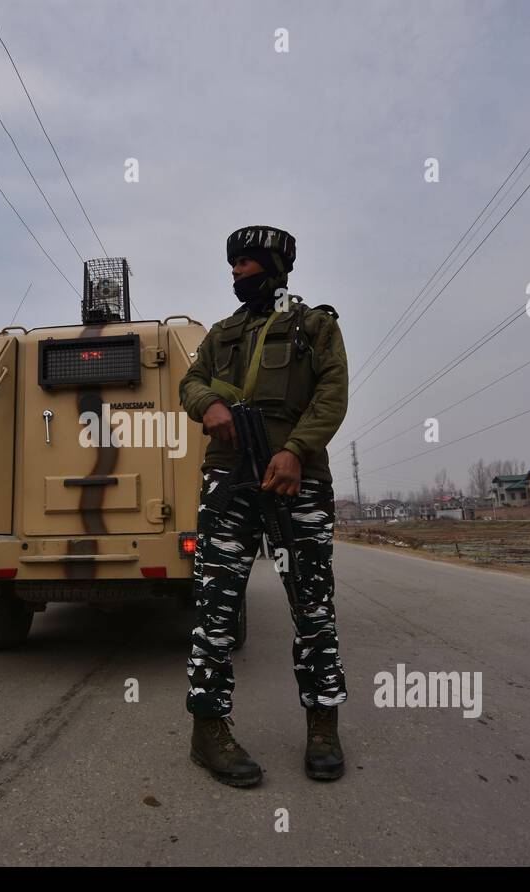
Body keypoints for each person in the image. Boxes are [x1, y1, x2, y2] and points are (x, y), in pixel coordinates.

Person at [178, 225, 350, 787]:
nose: (236, 275)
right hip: (229, 482)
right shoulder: (221, 334)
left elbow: (332, 394)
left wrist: (298, 450)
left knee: (313, 607)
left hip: (296, 483)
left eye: (246, 265)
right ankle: (208, 728)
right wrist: (208, 405)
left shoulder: (315, 327)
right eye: (232, 266)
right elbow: (189, 381)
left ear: (275, 268)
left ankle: (323, 724)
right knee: (214, 608)